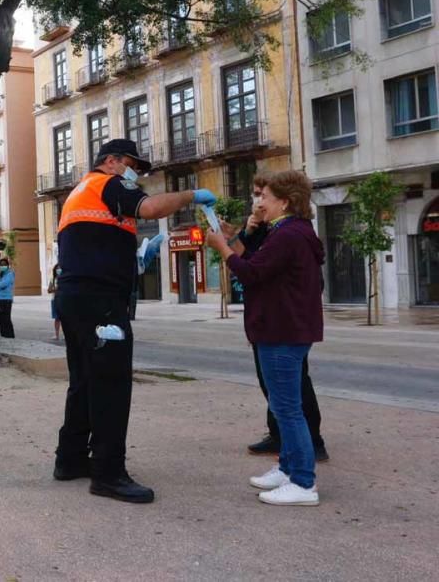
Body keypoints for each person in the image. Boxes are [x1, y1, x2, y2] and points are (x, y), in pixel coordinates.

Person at [53, 138, 214, 504]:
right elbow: (152, 208)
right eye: (133, 166)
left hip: (74, 298)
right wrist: (191, 196)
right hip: (100, 302)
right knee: (111, 383)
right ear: (111, 161)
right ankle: (109, 473)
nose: (136, 174)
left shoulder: (81, 192)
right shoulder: (109, 183)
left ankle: (71, 459)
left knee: (83, 381)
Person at [206, 170, 325, 507]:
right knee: (283, 404)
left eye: (264, 197)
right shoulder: (287, 232)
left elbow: (252, 272)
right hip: (281, 328)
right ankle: (288, 468)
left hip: (282, 330)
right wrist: (243, 235)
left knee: (288, 408)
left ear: (285, 201)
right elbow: (260, 264)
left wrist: (223, 249)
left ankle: (303, 482)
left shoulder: (289, 235)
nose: (258, 202)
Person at [0, 257, 15, 338]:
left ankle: (10, 336)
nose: (2, 266)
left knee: (6, 319)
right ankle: (3, 336)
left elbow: (4, 283)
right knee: (0, 319)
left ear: (8, 265)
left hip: (7, 300)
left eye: (4, 265)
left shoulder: (10, 274)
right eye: (1, 265)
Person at [48, 263, 62, 340]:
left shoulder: (65, 279)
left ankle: (66, 335)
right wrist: (56, 289)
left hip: (63, 300)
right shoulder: (53, 279)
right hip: (55, 300)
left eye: (60, 268)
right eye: (57, 269)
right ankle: (57, 335)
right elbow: (49, 290)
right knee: (57, 318)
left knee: (64, 318)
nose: (58, 270)